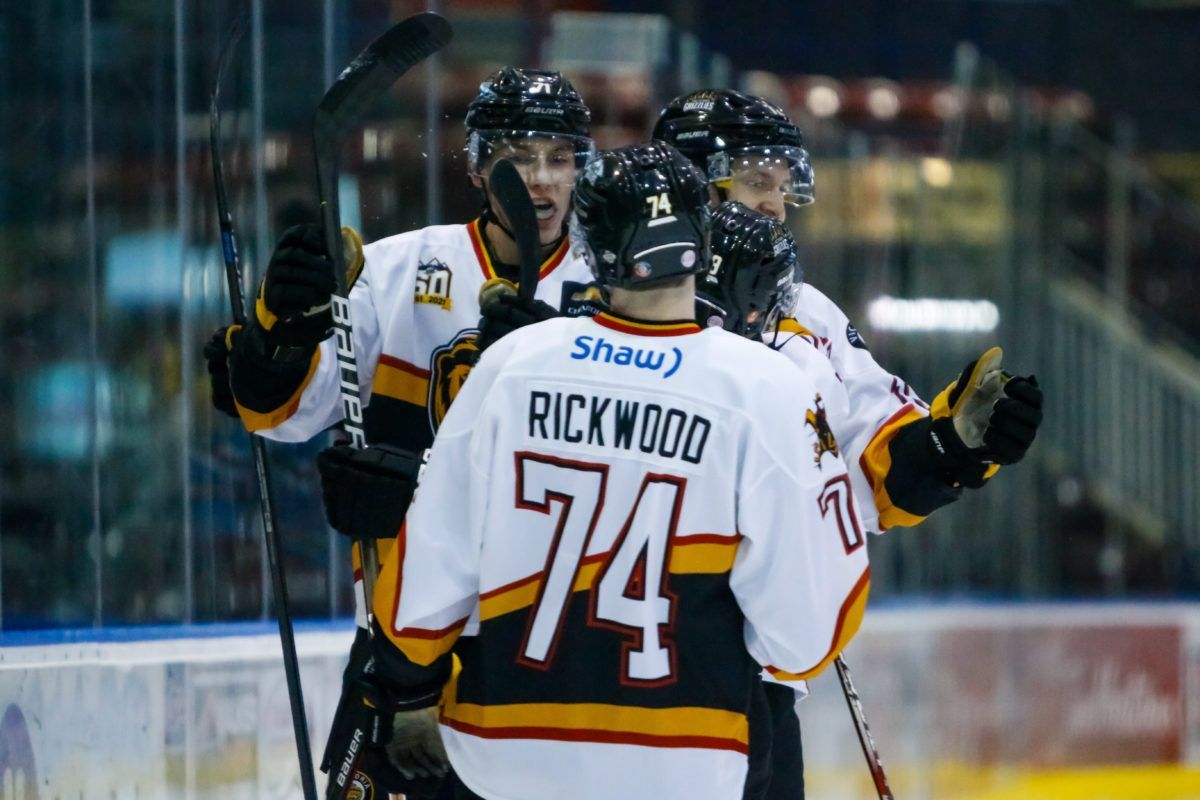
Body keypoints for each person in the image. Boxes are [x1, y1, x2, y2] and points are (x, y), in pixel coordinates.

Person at [358, 142, 872, 800]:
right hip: (684, 765)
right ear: (700, 236)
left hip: (504, 759)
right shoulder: (769, 389)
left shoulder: (512, 365)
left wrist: (406, 696)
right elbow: (803, 640)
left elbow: (425, 578)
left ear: (591, 244)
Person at [207, 66, 598, 797]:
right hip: (401, 634)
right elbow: (285, 416)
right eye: (520, 156)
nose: (541, 180)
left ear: (582, 167)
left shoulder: (613, 292)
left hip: (556, 649)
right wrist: (282, 332)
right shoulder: (399, 269)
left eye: (559, 157)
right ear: (482, 167)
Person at [656, 89, 1045, 799]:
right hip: (620, 670)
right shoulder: (609, 304)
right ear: (687, 181)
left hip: (758, 685)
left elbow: (874, 469)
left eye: (782, 187)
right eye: (754, 182)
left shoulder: (805, 314)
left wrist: (954, 446)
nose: (774, 205)